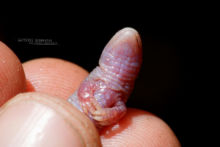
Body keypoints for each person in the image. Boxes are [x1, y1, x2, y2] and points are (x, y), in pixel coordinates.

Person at [0, 28, 180, 146]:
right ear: (106, 56)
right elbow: (85, 88)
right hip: (79, 116)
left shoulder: (121, 90)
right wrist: (87, 98)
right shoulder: (100, 74)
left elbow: (120, 109)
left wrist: (107, 114)